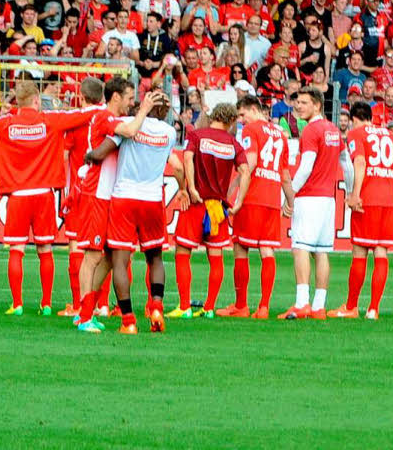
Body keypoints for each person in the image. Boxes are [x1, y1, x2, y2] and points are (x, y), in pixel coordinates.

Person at [0, 82, 103, 317]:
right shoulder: (49, 120)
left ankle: (17, 304)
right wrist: (108, 107)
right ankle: (46, 304)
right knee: (45, 249)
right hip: (44, 195)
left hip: (18, 195)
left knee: (17, 249)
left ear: (19, 101)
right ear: (36, 100)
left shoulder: (6, 123)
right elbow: (83, 113)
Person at [84, 91, 184, 334]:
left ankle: (128, 320)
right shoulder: (170, 133)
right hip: (152, 199)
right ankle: (157, 306)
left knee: (119, 260)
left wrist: (88, 155)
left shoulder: (129, 126)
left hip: (125, 198)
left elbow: (99, 154)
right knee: (156, 258)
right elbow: (176, 162)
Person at [73, 79, 159, 332]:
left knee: (110, 257)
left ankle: (87, 310)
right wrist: (145, 110)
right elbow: (131, 131)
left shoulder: (112, 120)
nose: (132, 102)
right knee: (92, 255)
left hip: (112, 197)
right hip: (96, 194)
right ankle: (83, 315)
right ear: (115, 98)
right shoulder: (104, 117)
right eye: (129, 97)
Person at [278, 86, 352, 320]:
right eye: (297, 102)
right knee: (321, 252)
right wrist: (350, 191)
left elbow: (306, 166)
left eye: (303, 102)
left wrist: (290, 194)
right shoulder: (332, 130)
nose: (298, 106)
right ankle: (319, 306)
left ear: (317, 105)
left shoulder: (311, 130)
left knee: (300, 248)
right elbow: (346, 163)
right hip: (328, 199)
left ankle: (302, 303)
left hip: (309, 197)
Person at [170, 102, 249, 319]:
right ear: (231, 121)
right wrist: (239, 201)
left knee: (183, 253)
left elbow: (187, 158)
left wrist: (191, 188)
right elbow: (245, 170)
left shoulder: (197, 135)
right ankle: (209, 307)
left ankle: (184, 306)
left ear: (214, 116)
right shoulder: (233, 143)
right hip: (217, 208)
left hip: (196, 203)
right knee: (215, 256)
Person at [330, 101, 393, 320]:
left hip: (367, 200)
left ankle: (352, 306)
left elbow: (360, 163)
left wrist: (355, 194)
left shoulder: (356, 134)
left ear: (353, 119)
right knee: (381, 252)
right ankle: (373, 308)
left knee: (360, 251)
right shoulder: (390, 136)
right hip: (387, 201)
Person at [224, 95, 295, 319]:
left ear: (254, 109)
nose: (241, 121)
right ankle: (264, 306)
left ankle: (241, 305)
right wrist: (289, 202)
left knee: (240, 247)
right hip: (271, 199)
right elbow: (284, 175)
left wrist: (236, 192)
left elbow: (251, 163)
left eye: (243, 115)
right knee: (267, 250)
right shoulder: (281, 136)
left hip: (252, 198)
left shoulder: (251, 130)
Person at [57, 77, 105, 318]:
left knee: (76, 246)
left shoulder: (76, 122)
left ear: (81, 97)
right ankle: (102, 305)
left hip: (80, 191)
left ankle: (79, 304)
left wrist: (61, 188)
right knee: (104, 247)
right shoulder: (109, 120)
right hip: (105, 192)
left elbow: (64, 157)